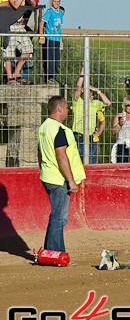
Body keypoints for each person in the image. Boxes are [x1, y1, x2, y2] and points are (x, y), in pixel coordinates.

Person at [37, 95, 86, 253]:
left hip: (48, 175)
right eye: (66, 108)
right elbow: (61, 155)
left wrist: (43, 168)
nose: (67, 110)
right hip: (58, 179)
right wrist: (71, 181)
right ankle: (54, 252)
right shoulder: (59, 129)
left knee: (56, 215)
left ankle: (51, 250)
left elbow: (40, 152)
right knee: (59, 217)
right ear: (59, 109)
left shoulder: (44, 127)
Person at [71, 69, 111, 164]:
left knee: (91, 163)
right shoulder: (77, 101)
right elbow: (77, 86)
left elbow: (108, 103)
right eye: (87, 90)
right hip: (79, 135)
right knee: (79, 162)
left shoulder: (94, 103)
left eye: (91, 92)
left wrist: (97, 91)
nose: (89, 93)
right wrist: (83, 71)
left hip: (91, 136)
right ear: (82, 91)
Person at [3, 0, 35, 84]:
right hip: (10, 26)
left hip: (20, 26)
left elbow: (33, 3)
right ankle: (9, 78)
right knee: (8, 52)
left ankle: (17, 72)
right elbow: (15, 5)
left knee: (28, 49)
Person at [39, 0, 63, 83]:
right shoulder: (49, 11)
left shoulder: (60, 13)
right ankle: (49, 77)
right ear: (51, 1)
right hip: (49, 38)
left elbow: (60, 28)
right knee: (50, 58)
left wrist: (61, 40)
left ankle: (55, 77)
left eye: (58, 1)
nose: (56, 3)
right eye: (55, 1)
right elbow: (42, 23)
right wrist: (41, 36)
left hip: (57, 38)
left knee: (56, 59)